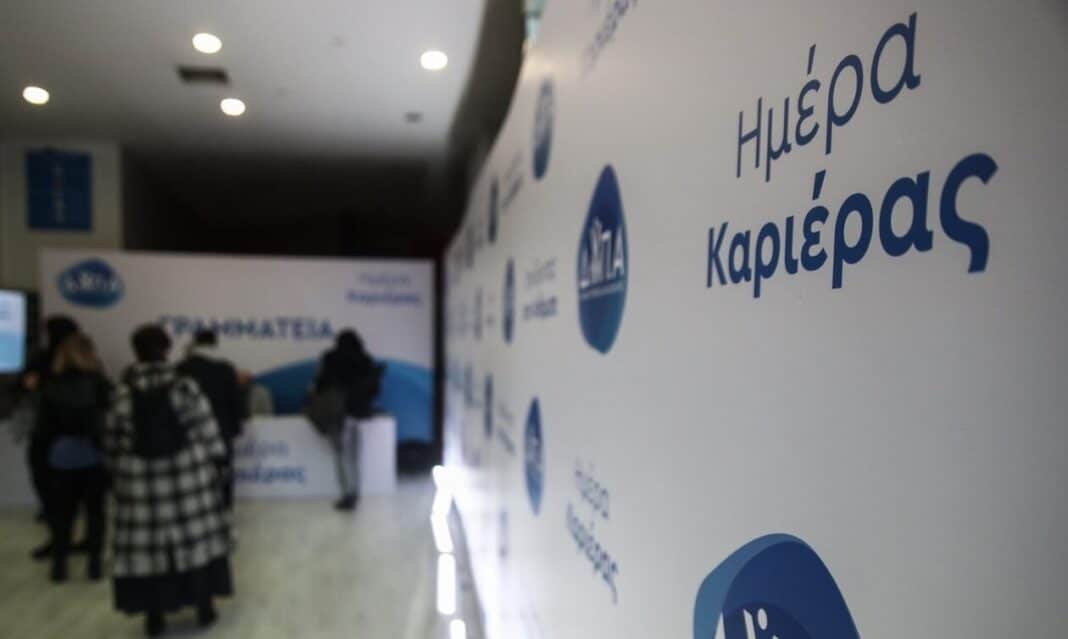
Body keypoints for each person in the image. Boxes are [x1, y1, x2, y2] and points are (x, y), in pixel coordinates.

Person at [104, 325, 233, 637]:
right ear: (167, 348)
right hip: (187, 479)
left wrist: (119, 471)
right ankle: (204, 608)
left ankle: (155, 616)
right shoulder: (185, 386)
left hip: (140, 485)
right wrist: (218, 462)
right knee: (196, 542)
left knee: (149, 550)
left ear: (136, 351)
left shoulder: (122, 390)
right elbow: (207, 428)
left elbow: (112, 440)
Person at [36, 332, 111, 582]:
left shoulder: (52, 385)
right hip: (93, 454)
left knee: (62, 515)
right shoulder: (99, 382)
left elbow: (43, 428)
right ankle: (94, 565)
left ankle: (59, 566)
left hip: (61, 455)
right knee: (95, 513)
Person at [19, 315, 80, 558]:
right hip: (77, 437)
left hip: (47, 434)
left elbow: (24, 387)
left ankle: (59, 542)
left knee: (48, 489)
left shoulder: (42, 361)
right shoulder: (84, 361)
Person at [313, 329, 383, 511]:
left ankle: (347, 494)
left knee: (340, 455)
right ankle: (355, 491)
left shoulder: (330, 358)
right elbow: (375, 390)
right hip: (358, 414)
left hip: (337, 414)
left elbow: (320, 384)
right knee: (354, 456)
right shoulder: (365, 359)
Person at [177, 329, 243, 510]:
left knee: (192, 473)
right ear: (214, 344)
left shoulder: (181, 368)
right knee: (223, 472)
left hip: (189, 431)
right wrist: (236, 428)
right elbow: (234, 401)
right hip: (221, 428)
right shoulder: (225, 369)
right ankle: (224, 509)